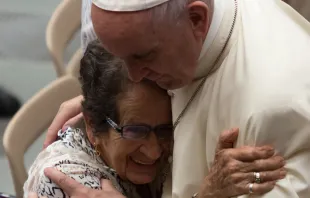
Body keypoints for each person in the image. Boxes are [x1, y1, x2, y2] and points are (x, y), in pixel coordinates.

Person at [43, 0, 310, 197]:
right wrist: (103, 97)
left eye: (142, 57)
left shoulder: (274, 111)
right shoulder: (181, 34)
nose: (135, 77)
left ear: (197, 19)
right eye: (122, 59)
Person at [24, 41, 285, 198]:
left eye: (164, 130)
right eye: (136, 131)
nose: (153, 151)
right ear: (93, 127)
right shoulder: (67, 180)